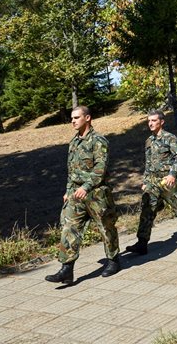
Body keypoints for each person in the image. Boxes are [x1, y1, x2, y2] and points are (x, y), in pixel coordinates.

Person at [45, 106, 120, 284]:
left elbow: (100, 169)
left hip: (96, 194)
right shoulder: (73, 143)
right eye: (72, 118)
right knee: (69, 227)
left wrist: (86, 187)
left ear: (87, 118)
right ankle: (67, 269)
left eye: (76, 117)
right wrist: (68, 190)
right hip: (76, 194)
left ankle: (113, 260)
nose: (73, 121)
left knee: (106, 228)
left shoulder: (98, 141)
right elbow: (71, 171)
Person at [125, 110, 177, 256]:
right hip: (152, 182)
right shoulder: (148, 141)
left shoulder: (170, 138)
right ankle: (142, 243)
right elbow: (148, 163)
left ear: (161, 122)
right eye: (149, 121)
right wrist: (146, 181)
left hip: (168, 181)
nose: (150, 123)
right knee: (147, 210)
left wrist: (172, 174)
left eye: (153, 120)